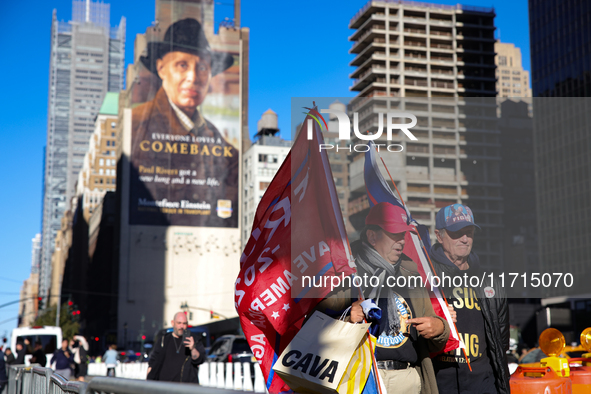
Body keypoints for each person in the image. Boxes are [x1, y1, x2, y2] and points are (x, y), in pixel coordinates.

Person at [315, 202, 450, 394]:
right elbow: (314, 326)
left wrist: (439, 328)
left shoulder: (410, 270)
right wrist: (347, 319)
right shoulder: (345, 268)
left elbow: (432, 331)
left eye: (402, 235)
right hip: (360, 378)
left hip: (408, 379)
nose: (401, 241)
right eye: (394, 234)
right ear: (372, 236)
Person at [130, 18, 238, 228]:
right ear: (161, 68)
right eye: (182, 65)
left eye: (203, 68)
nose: (193, 77)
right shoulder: (136, 125)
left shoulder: (226, 150)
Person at [429, 204, 510, 394]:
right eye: (457, 233)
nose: (465, 239)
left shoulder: (491, 284)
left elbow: (501, 339)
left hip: (483, 381)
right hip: (440, 379)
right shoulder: (424, 278)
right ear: (439, 236)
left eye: (469, 232)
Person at [147, 312, 206, 383]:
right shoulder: (164, 340)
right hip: (164, 387)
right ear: (173, 323)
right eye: (179, 323)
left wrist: (192, 348)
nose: (182, 326)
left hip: (185, 388)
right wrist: (148, 382)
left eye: (184, 323)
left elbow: (200, 359)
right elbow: (153, 362)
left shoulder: (194, 339)